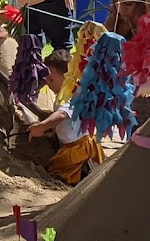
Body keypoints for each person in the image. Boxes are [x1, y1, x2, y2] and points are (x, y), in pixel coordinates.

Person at [28, 49, 105, 185]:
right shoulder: (67, 91)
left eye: (51, 79)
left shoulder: (72, 94)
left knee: (62, 173)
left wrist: (42, 126)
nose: (47, 82)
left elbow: (63, 114)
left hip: (77, 148)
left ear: (67, 77)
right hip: (74, 144)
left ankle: (83, 174)